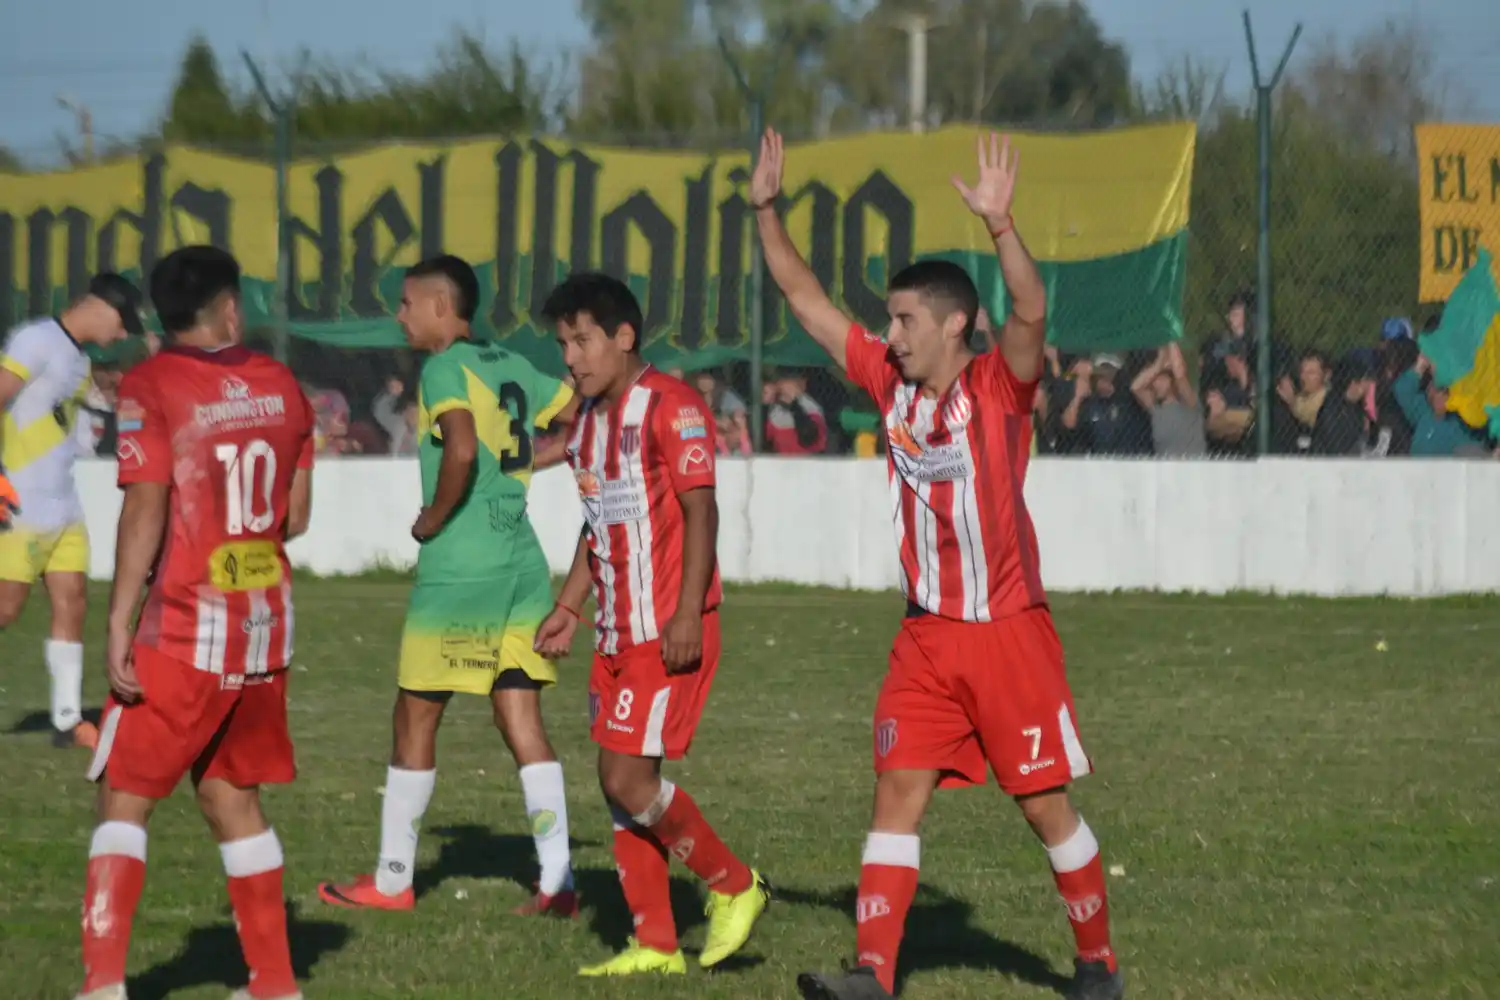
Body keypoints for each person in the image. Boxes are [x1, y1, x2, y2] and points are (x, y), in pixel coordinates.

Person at [752, 129, 1123, 1000]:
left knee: (1044, 807)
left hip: (1006, 634)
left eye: (905, 320)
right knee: (896, 794)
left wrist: (1001, 226)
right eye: (888, 320)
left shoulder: (998, 387)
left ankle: (1098, 964)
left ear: (955, 323)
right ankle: (873, 975)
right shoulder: (891, 384)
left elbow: (1030, 309)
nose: (890, 334)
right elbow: (807, 300)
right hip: (924, 640)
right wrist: (766, 210)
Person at [76, 246, 315, 1000]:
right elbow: (296, 517)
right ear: (231, 308)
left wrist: (119, 619)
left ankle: (102, 986)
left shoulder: (151, 384)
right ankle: (274, 984)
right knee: (230, 797)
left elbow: (145, 506)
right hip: (265, 627)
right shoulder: (280, 383)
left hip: (184, 628)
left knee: (124, 795)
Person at [318, 255, 581, 916]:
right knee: (519, 714)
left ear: (442, 306)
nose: (399, 316)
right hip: (522, 561)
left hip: (464, 567)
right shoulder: (511, 363)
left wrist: (432, 519)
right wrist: (535, 461)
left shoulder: (442, 369)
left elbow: (460, 448)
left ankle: (392, 880)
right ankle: (558, 881)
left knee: (415, 715)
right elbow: (580, 416)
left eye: (407, 303)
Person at [532, 271, 771, 977]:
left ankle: (734, 883)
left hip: (664, 628)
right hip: (613, 631)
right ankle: (656, 944)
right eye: (563, 345)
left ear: (624, 336)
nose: (571, 358)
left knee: (628, 777)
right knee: (619, 785)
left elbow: (702, 511)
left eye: (582, 341)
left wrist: (688, 611)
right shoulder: (586, 423)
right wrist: (569, 606)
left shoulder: (673, 406)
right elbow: (598, 522)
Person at [0, 272, 144, 750]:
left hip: (63, 504)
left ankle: (67, 720)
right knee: (6, 608)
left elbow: (64, 426)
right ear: (102, 306)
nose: (120, 335)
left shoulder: (80, 361)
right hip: (18, 504)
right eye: (122, 324)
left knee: (73, 600)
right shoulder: (35, 339)